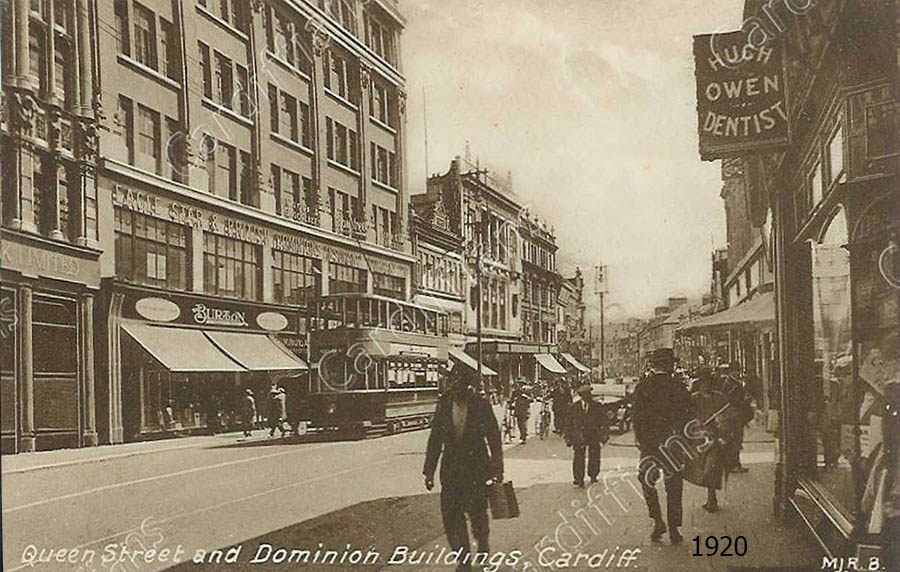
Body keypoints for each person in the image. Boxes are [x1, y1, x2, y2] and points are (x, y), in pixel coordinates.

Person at [423, 366, 504, 572]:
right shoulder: (444, 405)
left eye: (461, 382)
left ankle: (483, 546)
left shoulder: (481, 405)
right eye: (454, 381)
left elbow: (494, 438)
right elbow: (435, 440)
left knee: (478, 514)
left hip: (477, 470)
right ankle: (463, 558)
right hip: (451, 472)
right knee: (452, 517)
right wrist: (429, 471)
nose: (456, 386)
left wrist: (497, 468)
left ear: (468, 385)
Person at [632, 348, 693, 544]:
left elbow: (637, 417)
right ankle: (674, 528)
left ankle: (658, 521)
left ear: (654, 365)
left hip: (650, 445)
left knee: (647, 481)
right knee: (674, 485)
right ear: (669, 365)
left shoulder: (643, 386)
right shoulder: (678, 387)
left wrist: (641, 441)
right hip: (672, 444)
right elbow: (688, 417)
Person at [565, 384, 609, 487]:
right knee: (578, 457)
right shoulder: (574, 407)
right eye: (586, 394)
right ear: (581, 395)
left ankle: (593, 475)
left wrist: (604, 434)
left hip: (593, 434)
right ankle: (579, 478)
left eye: (589, 393)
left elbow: (604, 421)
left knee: (594, 455)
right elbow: (568, 423)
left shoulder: (597, 406)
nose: (589, 396)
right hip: (579, 435)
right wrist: (568, 437)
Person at [719, 363, 753, 473]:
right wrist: (744, 401)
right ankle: (733, 464)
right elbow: (729, 400)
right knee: (735, 441)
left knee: (735, 441)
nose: (737, 373)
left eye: (738, 370)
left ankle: (734, 464)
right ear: (731, 371)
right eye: (735, 371)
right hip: (733, 416)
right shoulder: (730, 383)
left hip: (736, 415)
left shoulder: (733, 382)